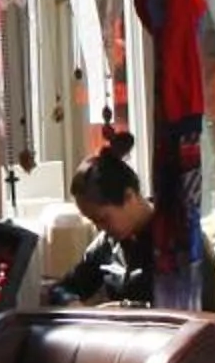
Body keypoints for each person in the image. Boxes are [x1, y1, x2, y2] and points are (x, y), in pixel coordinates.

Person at [50, 131, 154, 306]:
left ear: (129, 197)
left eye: (103, 219)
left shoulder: (177, 240)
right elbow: (62, 289)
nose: (99, 229)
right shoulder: (107, 243)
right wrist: (72, 304)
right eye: (93, 221)